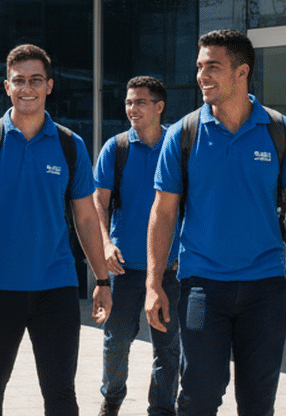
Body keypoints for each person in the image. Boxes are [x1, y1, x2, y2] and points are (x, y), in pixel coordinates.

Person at [146, 29, 286, 416]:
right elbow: (163, 213)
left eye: (213, 66)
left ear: (242, 72)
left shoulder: (280, 131)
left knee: (258, 403)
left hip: (265, 288)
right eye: (199, 66)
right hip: (201, 287)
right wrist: (153, 282)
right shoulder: (183, 135)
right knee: (198, 397)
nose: (201, 75)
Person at [0, 43, 113, 416]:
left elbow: (87, 218)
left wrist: (102, 281)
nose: (27, 88)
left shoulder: (69, 146)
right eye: (19, 81)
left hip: (55, 289)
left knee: (60, 392)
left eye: (35, 80)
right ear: (6, 87)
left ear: (50, 86)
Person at [93, 76, 180, 416]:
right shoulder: (116, 148)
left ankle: (161, 409)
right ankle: (111, 400)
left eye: (140, 102)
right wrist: (104, 243)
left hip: (171, 267)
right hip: (124, 268)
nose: (132, 109)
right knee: (116, 343)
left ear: (159, 107)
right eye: (129, 102)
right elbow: (98, 202)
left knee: (168, 347)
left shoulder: (178, 145)